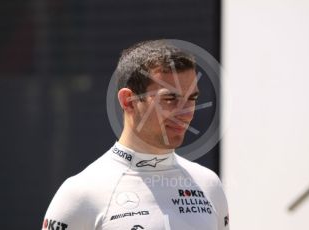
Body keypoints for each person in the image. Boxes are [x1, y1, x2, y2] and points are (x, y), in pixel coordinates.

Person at [42, 40, 229, 230]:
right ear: (128, 101)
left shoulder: (209, 184)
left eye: (192, 98)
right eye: (170, 99)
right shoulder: (80, 193)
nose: (186, 112)